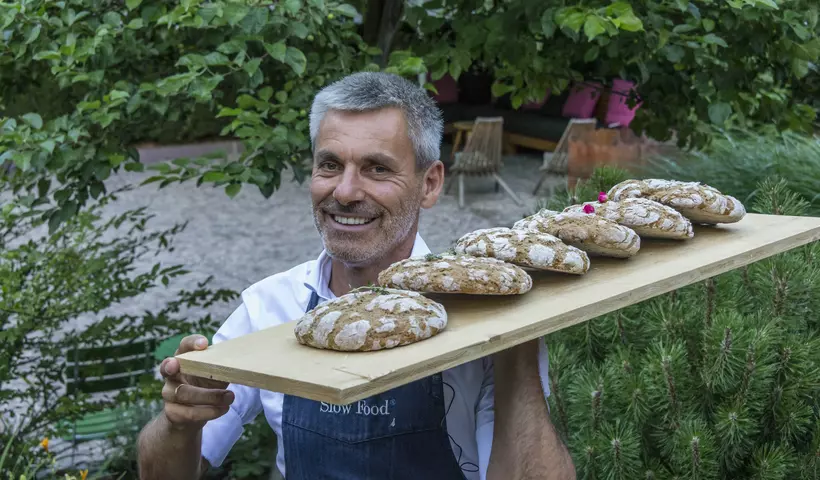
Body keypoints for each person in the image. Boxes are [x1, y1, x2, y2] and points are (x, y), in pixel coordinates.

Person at [136, 71, 576, 480]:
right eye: (329, 165)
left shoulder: (481, 316)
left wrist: (516, 339)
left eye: (377, 168)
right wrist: (179, 422)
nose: (344, 192)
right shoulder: (270, 307)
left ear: (430, 184)